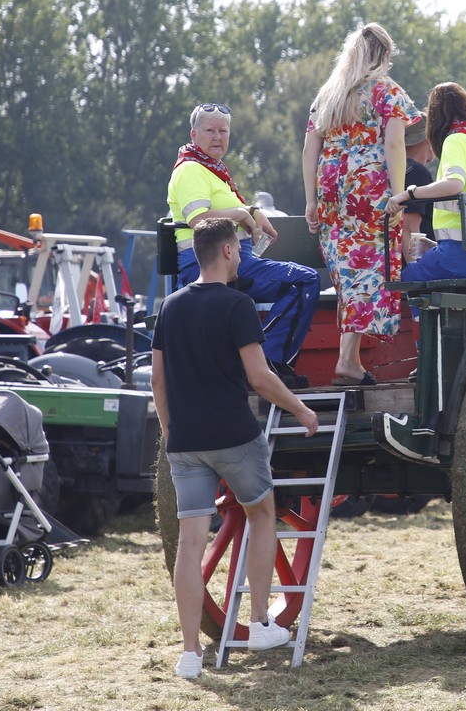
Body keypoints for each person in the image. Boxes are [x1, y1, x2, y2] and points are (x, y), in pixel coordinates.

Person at [151, 218, 320, 678]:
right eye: (240, 250)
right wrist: (301, 410)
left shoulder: (170, 306)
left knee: (190, 544)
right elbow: (260, 377)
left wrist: (171, 433)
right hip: (234, 437)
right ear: (226, 251)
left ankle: (190, 654)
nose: (243, 257)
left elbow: (158, 382)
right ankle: (261, 622)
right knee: (262, 514)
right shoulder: (238, 304)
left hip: (185, 443)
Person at [168, 102, 319, 388]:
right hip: (208, 265)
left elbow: (223, 212)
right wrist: (240, 214)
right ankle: (265, 365)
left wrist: (250, 211)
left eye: (223, 131)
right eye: (210, 130)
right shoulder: (191, 169)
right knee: (304, 281)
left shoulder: (213, 170)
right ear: (193, 134)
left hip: (234, 262)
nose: (217, 137)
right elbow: (197, 219)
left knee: (301, 283)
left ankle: (267, 363)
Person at [302, 23, 419, 386]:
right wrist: (398, 194)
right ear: (384, 54)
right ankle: (346, 360)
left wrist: (310, 200)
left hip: (330, 188)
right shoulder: (387, 91)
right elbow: (395, 145)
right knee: (367, 270)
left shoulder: (329, 95)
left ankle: (349, 359)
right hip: (369, 188)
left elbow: (310, 148)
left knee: (349, 272)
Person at [388, 81, 466, 281]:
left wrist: (408, 194)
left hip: (462, 257)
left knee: (407, 279)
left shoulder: (456, 139)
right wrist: (437, 247)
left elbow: (454, 184)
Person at [402, 112, 436, 263]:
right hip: (412, 263)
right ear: (428, 139)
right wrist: (417, 268)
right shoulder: (417, 172)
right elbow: (410, 228)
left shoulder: (397, 169)